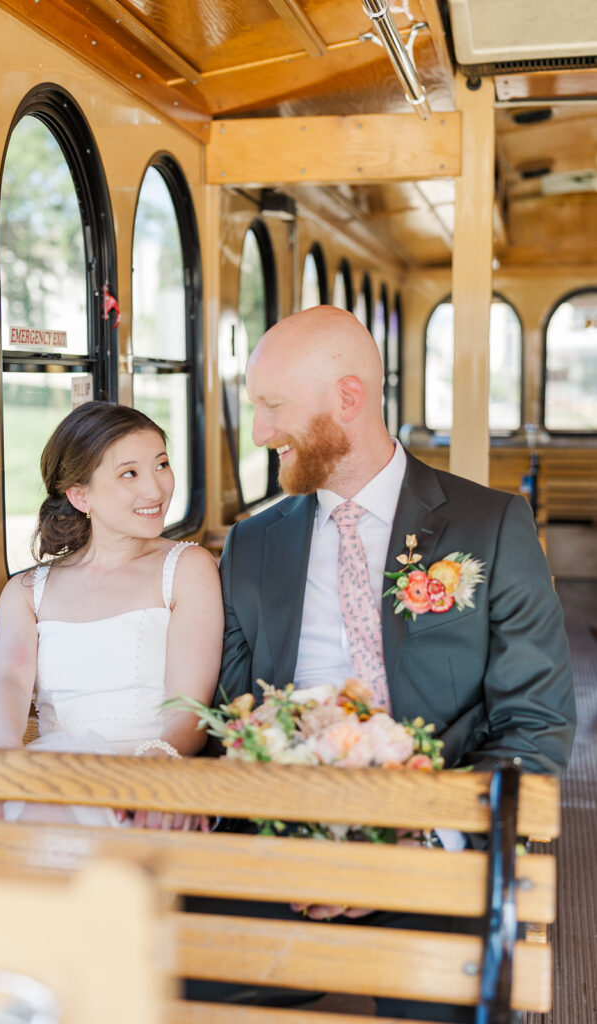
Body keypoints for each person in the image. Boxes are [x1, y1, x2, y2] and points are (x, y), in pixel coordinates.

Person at [211, 305, 575, 1021]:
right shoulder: (250, 547)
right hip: (282, 842)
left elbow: (534, 720)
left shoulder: (488, 527)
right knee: (176, 975)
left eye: (273, 407)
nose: (259, 433)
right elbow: (234, 711)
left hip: (436, 841)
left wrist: (416, 832)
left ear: (348, 399)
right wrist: (302, 835)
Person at [0, 400, 223, 829]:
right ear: (80, 495)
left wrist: (158, 764)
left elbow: (189, 707)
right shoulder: (27, 591)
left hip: (154, 773)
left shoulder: (187, 568)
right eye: (130, 473)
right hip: (58, 776)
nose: (156, 489)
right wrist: (4, 759)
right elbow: (9, 680)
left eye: (161, 465)